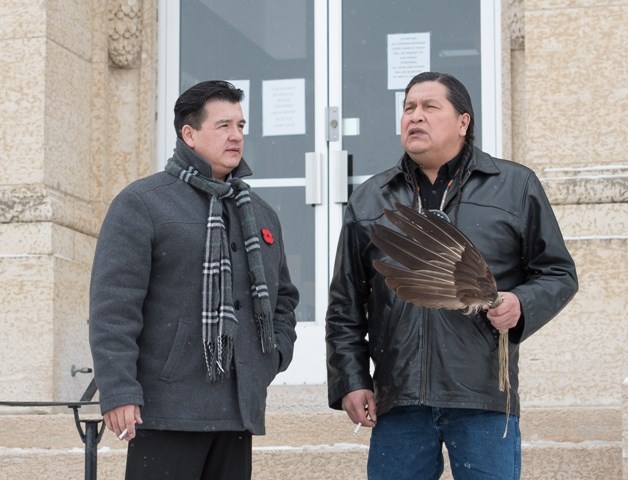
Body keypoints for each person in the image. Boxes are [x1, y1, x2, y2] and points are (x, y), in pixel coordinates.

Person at [325, 71, 577, 479]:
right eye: (408, 108)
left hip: (482, 398)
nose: (415, 117)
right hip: (399, 401)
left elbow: (559, 273)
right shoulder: (371, 199)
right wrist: (351, 379)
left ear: (463, 122)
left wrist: (521, 304)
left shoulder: (514, 187)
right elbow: (345, 304)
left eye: (429, 107)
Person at [89, 80, 299, 480]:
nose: (236, 135)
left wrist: (271, 357)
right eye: (223, 126)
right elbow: (113, 306)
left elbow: (283, 300)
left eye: (240, 125)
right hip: (166, 411)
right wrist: (118, 390)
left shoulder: (259, 213)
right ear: (189, 133)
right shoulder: (143, 203)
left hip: (238, 413)